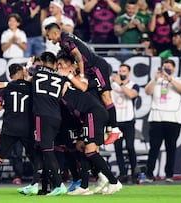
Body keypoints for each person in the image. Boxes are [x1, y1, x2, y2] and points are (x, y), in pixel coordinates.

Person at [44, 22, 122, 145]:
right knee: (95, 96)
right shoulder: (64, 39)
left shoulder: (65, 40)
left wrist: (81, 75)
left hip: (95, 67)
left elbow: (78, 56)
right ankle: (107, 128)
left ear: (54, 32)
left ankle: (115, 129)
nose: (47, 38)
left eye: (48, 35)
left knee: (106, 96)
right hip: (90, 70)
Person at [57, 50, 122, 195]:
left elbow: (83, 86)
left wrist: (67, 76)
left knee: (91, 151)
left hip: (94, 114)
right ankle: (84, 186)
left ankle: (113, 181)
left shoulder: (80, 78)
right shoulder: (67, 79)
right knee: (84, 150)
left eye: (62, 64)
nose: (59, 67)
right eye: (58, 65)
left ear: (72, 66)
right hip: (88, 116)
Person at [18, 52, 67, 196]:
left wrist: (30, 62)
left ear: (42, 61)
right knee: (39, 149)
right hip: (56, 116)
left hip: (42, 115)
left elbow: (27, 75)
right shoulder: (61, 76)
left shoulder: (37, 71)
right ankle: (34, 184)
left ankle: (59, 184)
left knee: (46, 148)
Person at [0, 63, 35, 196]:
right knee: (36, 157)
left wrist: (8, 106)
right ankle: (44, 183)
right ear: (21, 72)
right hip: (26, 127)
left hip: (9, 127)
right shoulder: (30, 87)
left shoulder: (4, 88)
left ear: (11, 75)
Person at [144, 59, 181, 183]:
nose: (166, 69)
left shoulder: (179, 80)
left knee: (171, 148)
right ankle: (149, 174)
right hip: (157, 118)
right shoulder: (157, 80)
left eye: (169, 67)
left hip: (174, 118)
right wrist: (155, 79)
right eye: (164, 67)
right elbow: (147, 91)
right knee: (154, 148)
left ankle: (169, 174)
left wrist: (170, 79)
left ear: (174, 68)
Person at [110, 64, 139, 183]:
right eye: (120, 71)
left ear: (129, 72)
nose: (122, 73)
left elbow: (132, 94)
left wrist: (121, 84)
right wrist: (112, 80)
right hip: (116, 121)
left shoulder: (133, 85)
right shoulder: (112, 85)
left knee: (130, 146)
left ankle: (134, 172)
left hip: (128, 120)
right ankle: (122, 173)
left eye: (124, 71)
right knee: (118, 148)